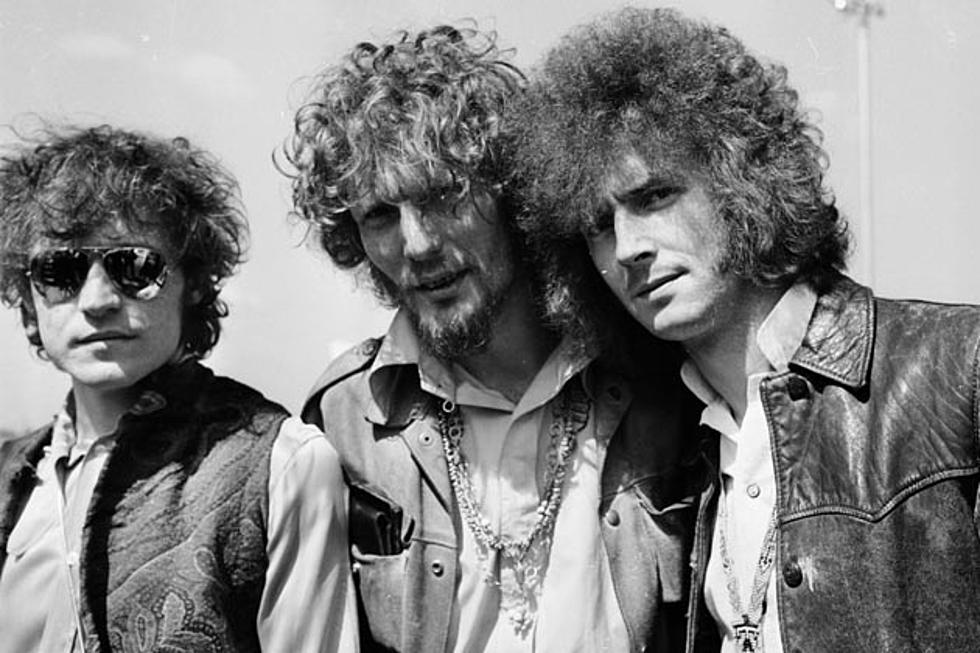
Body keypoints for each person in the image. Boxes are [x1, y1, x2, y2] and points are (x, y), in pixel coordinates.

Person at [509, 6, 980, 652]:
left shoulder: (958, 367)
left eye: (654, 197)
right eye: (597, 226)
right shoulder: (678, 449)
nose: (627, 247)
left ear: (740, 180)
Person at [284, 24, 701, 653]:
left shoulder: (663, 379)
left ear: (511, 194)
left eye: (443, 196)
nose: (417, 244)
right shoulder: (344, 418)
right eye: (380, 216)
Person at [0, 124, 357, 653]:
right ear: (29, 303)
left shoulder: (283, 465)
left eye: (133, 266)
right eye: (60, 270)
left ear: (193, 284)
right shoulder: (9, 477)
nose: (97, 300)